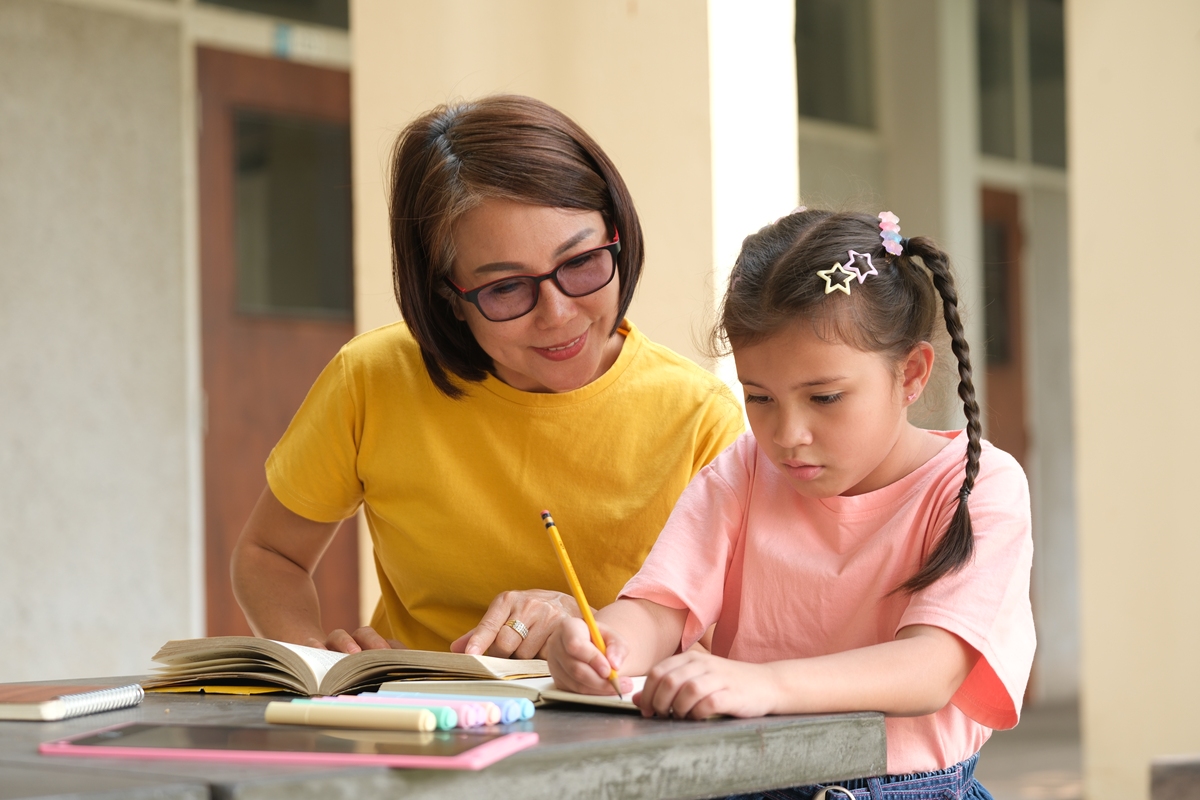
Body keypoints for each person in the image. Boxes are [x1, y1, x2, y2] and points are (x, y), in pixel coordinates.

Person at [230, 95, 744, 658]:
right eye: (506, 288)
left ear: (617, 235)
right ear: (449, 298)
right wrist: (315, 659)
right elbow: (269, 555)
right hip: (417, 718)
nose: (558, 314)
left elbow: (727, 642)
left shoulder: (701, 419)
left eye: (580, 263)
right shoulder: (373, 380)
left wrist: (595, 624)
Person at [545, 208, 1034, 799]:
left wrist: (765, 685)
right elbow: (659, 610)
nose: (787, 434)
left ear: (910, 375)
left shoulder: (976, 485)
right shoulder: (745, 470)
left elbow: (931, 668)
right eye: (759, 397)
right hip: (740, 782)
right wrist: (609, 645)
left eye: (824, 397)